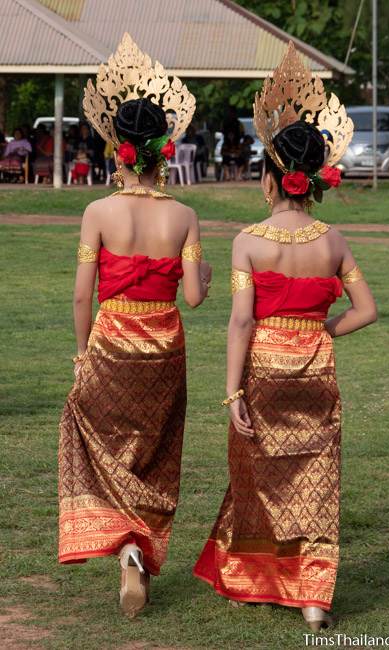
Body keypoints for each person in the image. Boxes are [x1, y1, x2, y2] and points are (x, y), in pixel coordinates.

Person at [194, 42, 377, 631]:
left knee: (259, 474)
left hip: (264, 368)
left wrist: (232, 391)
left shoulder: (249, 240)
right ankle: (314, 597)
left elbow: (241, 321)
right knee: (318, 477)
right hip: (316, 370)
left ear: (274, 175)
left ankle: (263, 574)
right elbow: (366, 310)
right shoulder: (334, 240)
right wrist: (323, 329)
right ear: (316, 178)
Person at [58, 33, 211, 619]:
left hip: (111, 338)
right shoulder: (185, 215)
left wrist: (81, 352)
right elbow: (195, 298)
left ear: (116, 148)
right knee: (153, 448)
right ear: (162, 150)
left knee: (100, 441)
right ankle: (135, 549)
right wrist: (207, 270)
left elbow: (81, 295)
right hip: (165, 342)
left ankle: (123, 545)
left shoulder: (97, 212)